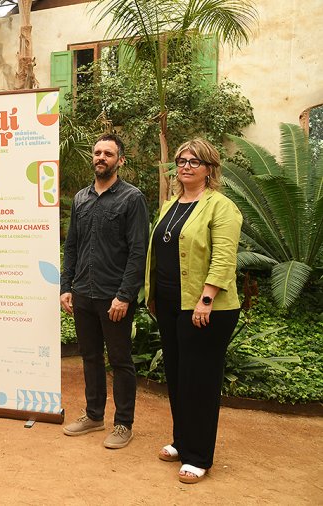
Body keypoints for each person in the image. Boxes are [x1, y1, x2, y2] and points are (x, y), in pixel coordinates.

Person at [145, 139, 242, 484]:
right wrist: (153, 293)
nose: (185, 166)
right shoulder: (170, 205)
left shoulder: (221, 207)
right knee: (177, 374)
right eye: (181, 160)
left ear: (209, 168)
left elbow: (224, 256)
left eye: (194, 161)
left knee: (199, 380)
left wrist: (206, 298)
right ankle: (182, 440)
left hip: (206, 307)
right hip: (171, 303)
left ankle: (199, 455)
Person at [60, 133, 149, 449]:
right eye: (97, 153)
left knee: (121, 360)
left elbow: (139, 251)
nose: (101, 157)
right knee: (90, 357)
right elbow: (72, 245)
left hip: (114, 297)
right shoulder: (82, 198)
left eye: (108, 154)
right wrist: (65, 286)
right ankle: (94, 415)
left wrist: (125, 295)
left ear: (120, 160)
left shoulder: (131, 199)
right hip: (83, 293)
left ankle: (124, 424)